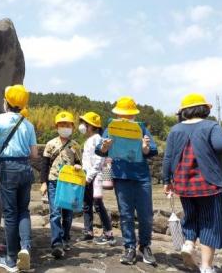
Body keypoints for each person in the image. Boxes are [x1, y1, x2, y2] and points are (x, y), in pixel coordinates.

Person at [162, 93, 222, 273]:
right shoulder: (211, 126)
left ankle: (189, 244)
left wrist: (166, 181)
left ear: (184, 111)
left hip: (183, 185)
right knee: (210, 224)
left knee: (191, 217)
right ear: (204, 109)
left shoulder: (175, 129)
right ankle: (206, 267)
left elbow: (168, 157)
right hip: (208, 184)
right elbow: (221, 146)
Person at [95, 96, 158, 266]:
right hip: (121, 176)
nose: (125, 118)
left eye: (128, 115)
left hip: (141, 176)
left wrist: (145, 148)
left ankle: (145, 246)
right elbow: (99, 150)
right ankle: (129, 247)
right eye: (122, 115)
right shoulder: (112, 128)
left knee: (146, 215)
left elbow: (153, 149)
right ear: (117, 114)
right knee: (125, 214)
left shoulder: (141, 128)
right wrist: (105, 147)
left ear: (134, 116)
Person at [0, 85, 38, 273]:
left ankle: (10, 258)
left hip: (8, 168)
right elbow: (34, 154)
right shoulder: (28, 124)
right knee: (23, 210)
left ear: (6, 102)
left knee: (9, 213)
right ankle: (25, 248)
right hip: (26, 168)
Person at [40, 111, 82, 259]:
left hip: (70, 184)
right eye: (61, 124)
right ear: (57, 126)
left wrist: (78, 166)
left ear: (72, 127)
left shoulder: (76, 146)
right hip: (53, 181)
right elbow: (44, 165)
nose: (64, 127)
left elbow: (78, 163)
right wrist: (43, 182)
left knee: (68, 214)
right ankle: (56, 244)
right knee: (55, 213)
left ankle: (65, 238)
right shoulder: (51, 144)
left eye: (67, 125)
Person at [78, 112, 115, 245]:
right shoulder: (90, 139)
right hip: (88, 176)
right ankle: (88, 231)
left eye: (85, 123)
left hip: (95, 176)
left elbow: (99, 160)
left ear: (92, 126)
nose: (82, 126)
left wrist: (89, 177)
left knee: (98, 204)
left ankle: (108, 233)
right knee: (86, 204)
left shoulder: (97, 139)